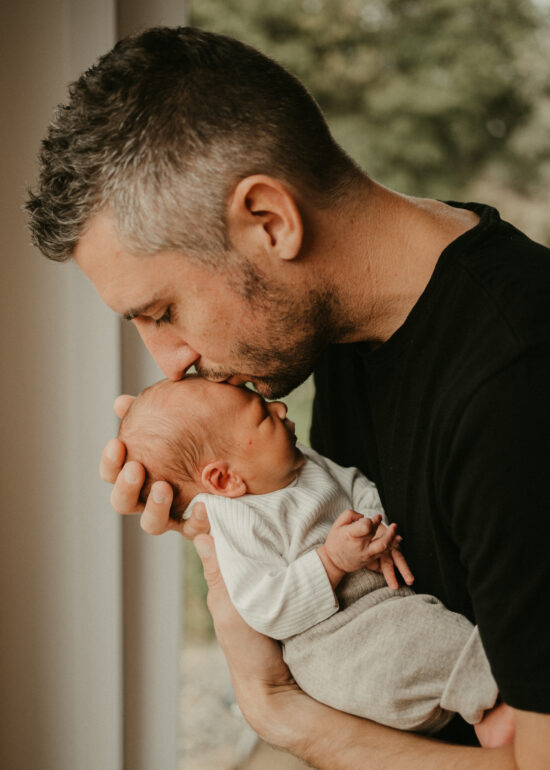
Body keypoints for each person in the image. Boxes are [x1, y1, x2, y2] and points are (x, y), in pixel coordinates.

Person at [26, 25, 550, 769]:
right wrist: (229, 528)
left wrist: (284, 715)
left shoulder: (519, 384)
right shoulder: (343, 320)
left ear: (269, 222)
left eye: (162, 312)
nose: (169, 365)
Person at [118, 374, 508, 739]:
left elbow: (357, 482)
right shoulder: (235, 519)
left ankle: (490, 697)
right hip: (332, 643)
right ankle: (494, 701)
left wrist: (375, 528)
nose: (281, 409)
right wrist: (333, 561)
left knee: (434, 629)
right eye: (262, 416)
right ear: (224, 479)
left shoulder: (300, 460)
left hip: (387, 604)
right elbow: (266, 605)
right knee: (402, 656)